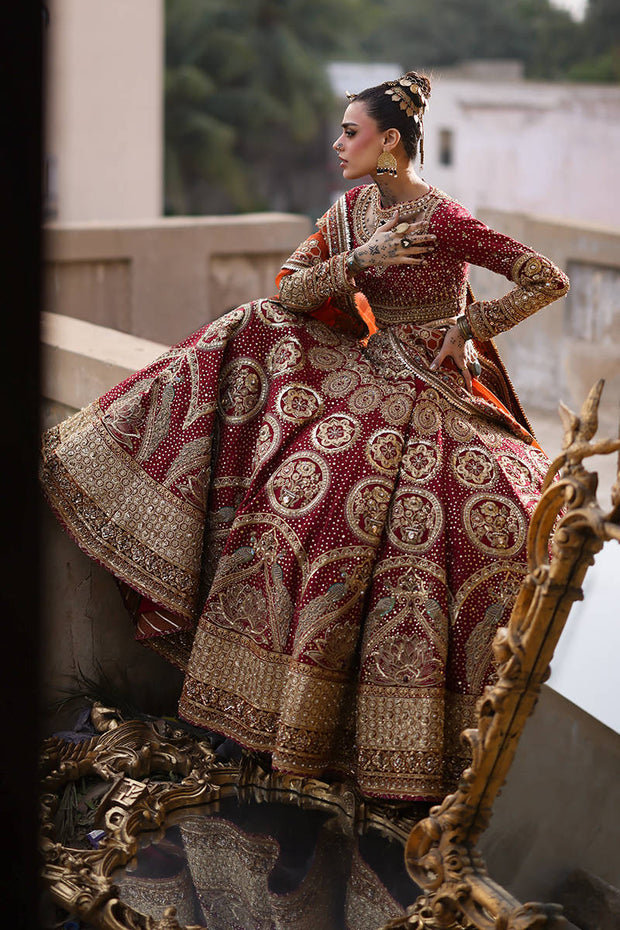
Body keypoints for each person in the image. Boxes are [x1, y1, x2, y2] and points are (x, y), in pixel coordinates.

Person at [40, 71, 569, 804]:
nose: (336, 142)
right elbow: (289, 290)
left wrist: (469, 329)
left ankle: (403, 755)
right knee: (292, 490)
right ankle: (264, 723)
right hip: (369, 378)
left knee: (443, 535)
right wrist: (357, 264)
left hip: (437, 398)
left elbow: (547, 279)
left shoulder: (443, 220)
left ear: (389, 142)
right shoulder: (350, 211)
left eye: (350, 131)